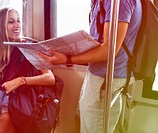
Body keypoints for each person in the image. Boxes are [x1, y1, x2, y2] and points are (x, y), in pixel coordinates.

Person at [39, 0, 142, 132]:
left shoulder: (118, 2)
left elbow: (109, 49)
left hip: (106, 79)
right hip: (100, 75)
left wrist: (68, 59)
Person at [0, 7, 55, 133]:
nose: (17, 25)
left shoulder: (28, 47)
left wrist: (21, 81)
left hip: (14, 103)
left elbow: (50, 78)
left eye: (18, 20)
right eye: (11, 22)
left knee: (3, 121)